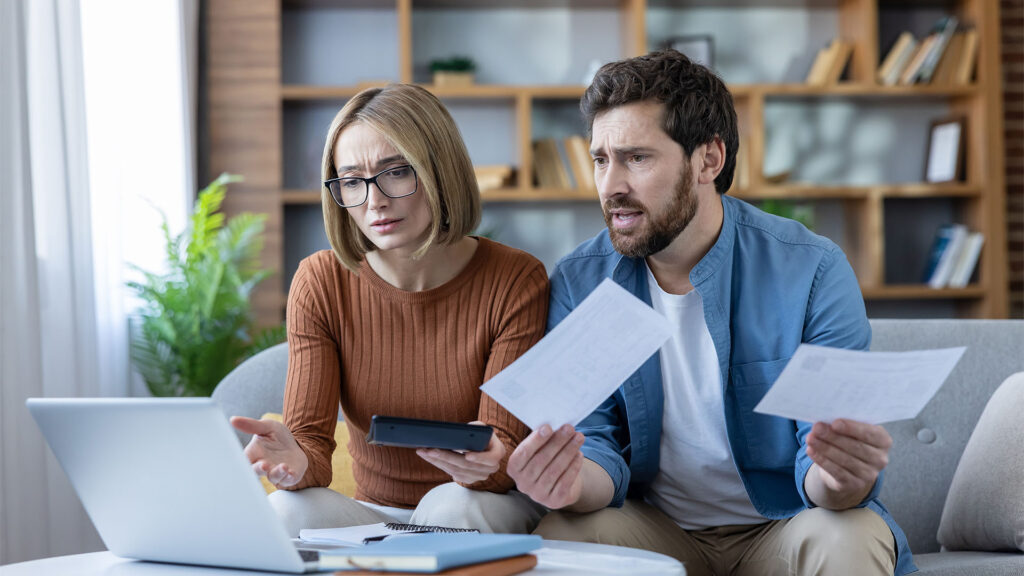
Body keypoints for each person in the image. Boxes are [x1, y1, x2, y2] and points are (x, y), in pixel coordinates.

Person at [507, 50, 915, 576]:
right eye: (601, 160)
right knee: (563, 532)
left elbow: (824, 465)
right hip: (658, 530)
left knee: (849, 534)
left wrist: (841, 477)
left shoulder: (810, 269)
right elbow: (597, 445)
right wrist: (567, 483)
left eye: (637, 158)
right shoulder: (581, 281)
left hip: (784, 524)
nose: (611, 186)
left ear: (708, 160)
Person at [231, 84, 548, 537]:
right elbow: (314, 455)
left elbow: (504, 452)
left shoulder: (514, 279)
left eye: (396, 172)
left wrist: (491, 461)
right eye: (352, 180)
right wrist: (295, 461)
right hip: (374, 513)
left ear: (440, 170)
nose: (374, 200)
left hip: (478, 504)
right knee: (286, 511)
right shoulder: (321, 282)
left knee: (451, 506)